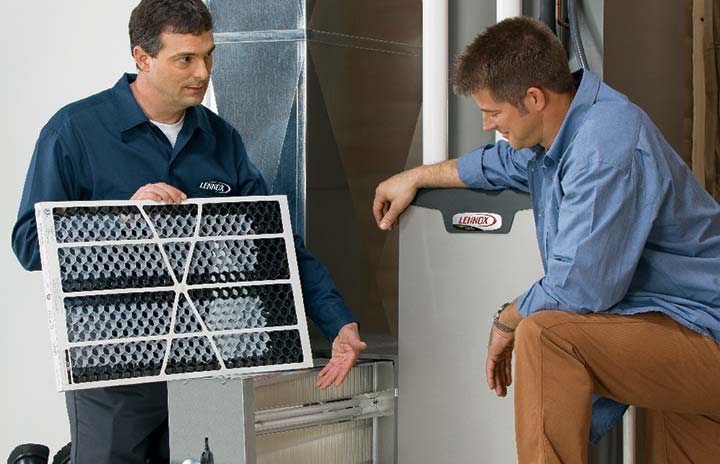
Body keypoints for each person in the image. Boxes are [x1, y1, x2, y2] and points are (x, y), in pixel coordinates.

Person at [11, 0, 366, 462]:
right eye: (185, 59)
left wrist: (337, 321)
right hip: (113, 365)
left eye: (208, 55)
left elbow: (275, 248)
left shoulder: (221, 139)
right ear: (142, 57)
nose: (202, 72)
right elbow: (29, 244)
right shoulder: (74, 132)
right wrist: (121, 220)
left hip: (205, 360)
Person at [374, 16, 720, 464]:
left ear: (534, 98)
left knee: (545, 335)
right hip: (677, 328)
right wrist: (416, 176)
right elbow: (494, 164)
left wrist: (506, 320)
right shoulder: (554, 141)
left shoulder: (602, 146)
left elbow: (580, 288)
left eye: (492, 112)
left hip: (703, 332)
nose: (486, 124)